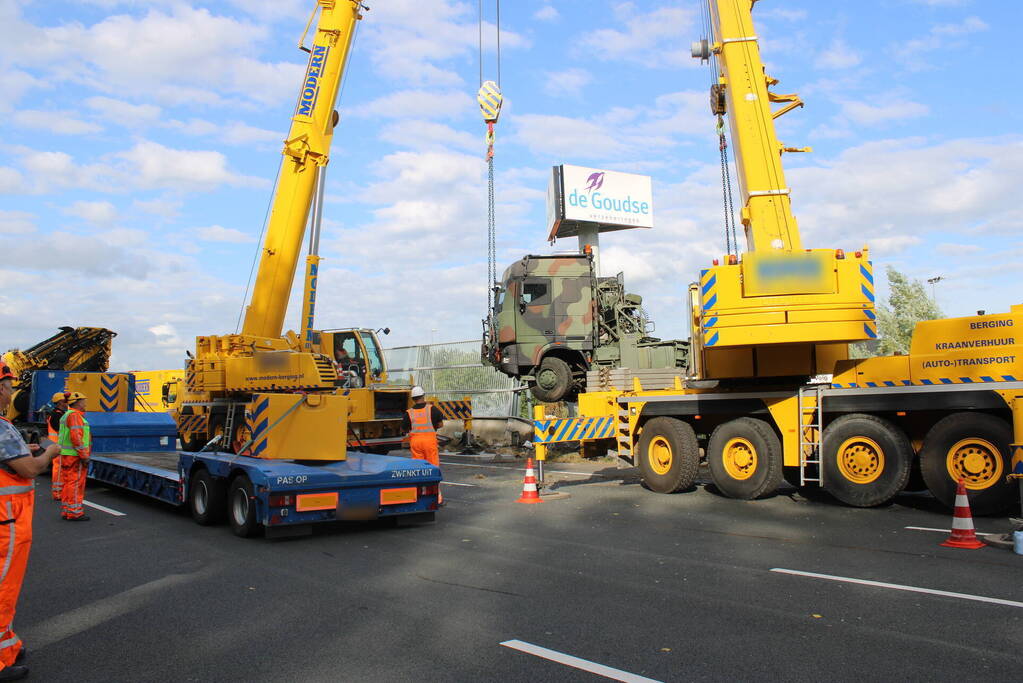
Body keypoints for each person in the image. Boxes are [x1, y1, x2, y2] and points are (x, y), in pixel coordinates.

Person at [0, 361, 59, 681]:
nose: (11, 394)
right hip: (5, 521)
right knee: (2, 591)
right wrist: (48, 453)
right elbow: (29, 470)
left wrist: (28, 449)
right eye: (9, 387)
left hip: (8, 519)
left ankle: (7, 647)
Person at [57, 392, 91, 522]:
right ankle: (74, 512)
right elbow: (76, 437)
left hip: (68, 455)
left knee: (68, 483)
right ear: (77, 402)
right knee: (75, 484)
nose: (85, 403)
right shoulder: (75, 416)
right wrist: (84, 455)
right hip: (75, 456)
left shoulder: (67, 415)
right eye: (83, 401)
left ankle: (67, 510)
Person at [401, 386, 444, 468]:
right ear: (423, 395)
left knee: (418, 465)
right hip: (429, 441)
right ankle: (432, 480)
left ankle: (420, 480)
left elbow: (403, 429)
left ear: (412, 398)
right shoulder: (432, 409)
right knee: (432, 465)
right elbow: (440, 424)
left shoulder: (409, 412)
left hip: (416, 442)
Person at [46, 392, 69, 502]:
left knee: (60, 469)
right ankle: (57, 492)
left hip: (57, 446)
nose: (67, 403)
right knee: (58, 470)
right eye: (66, 401)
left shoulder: (57, 414)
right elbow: (61, 431)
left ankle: (59, 491)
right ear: (60, 402)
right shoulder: (56, 415)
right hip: (57, 446)